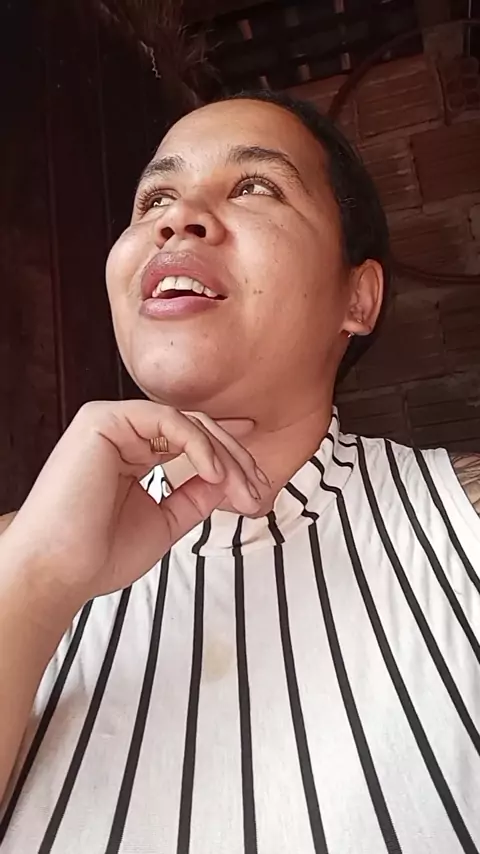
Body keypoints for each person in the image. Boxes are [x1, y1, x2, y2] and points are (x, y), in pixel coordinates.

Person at [0, 91, 479, 854]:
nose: (177, 219)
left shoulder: (462, 519)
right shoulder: (18, 560)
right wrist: (34, 582)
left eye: (255, 185)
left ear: (358, 296)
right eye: (154, 198)